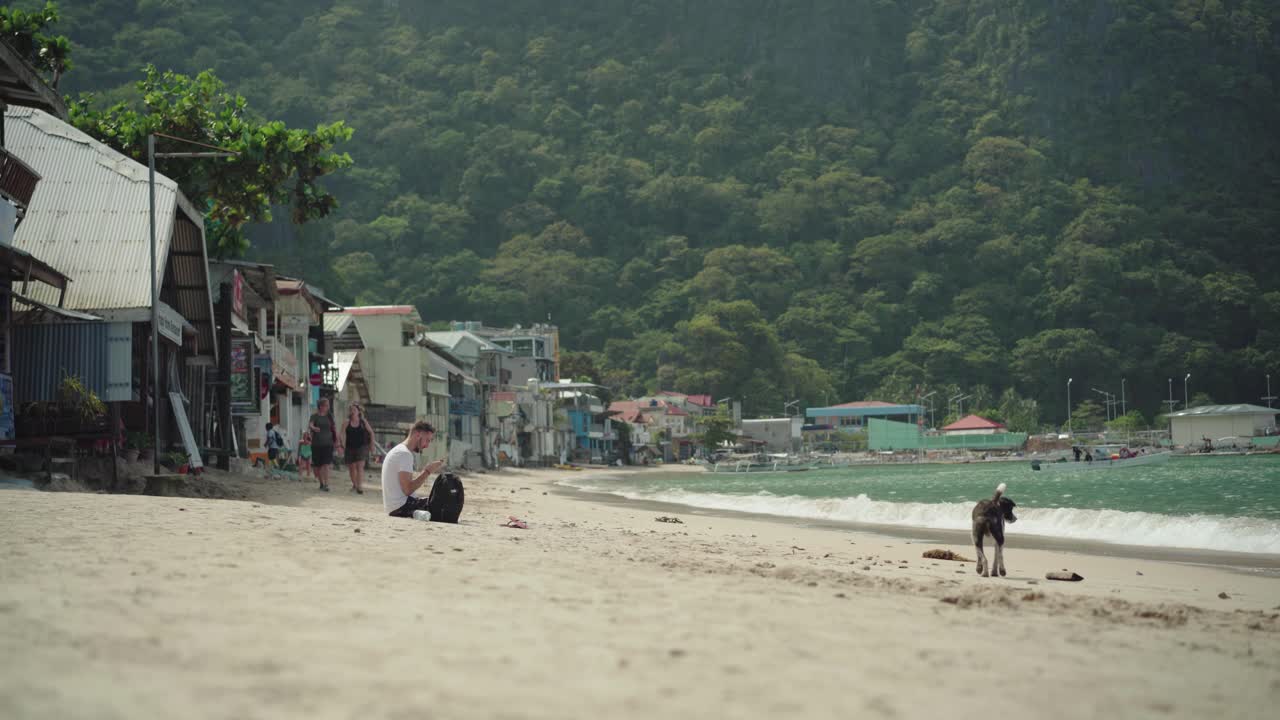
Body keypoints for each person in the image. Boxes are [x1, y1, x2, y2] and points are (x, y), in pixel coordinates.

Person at [382, 421, 446, 517]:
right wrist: (427, 471)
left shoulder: (400, 451)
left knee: (437, 502)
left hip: (397, 506)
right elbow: (408, 490)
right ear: (418, 434)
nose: (427, 445)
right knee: (446, 505)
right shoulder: (404, 454)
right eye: (427, 440)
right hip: (401, 507)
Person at [343, 403, 375, 494]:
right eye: (351, 410)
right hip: (349, 447)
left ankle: (359, 487)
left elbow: (371, 433)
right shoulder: (346, 422)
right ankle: (355, 484)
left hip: (362, 446)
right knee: (352, 468)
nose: (352, 411)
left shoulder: (363, 422)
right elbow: (341, 434)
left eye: (354, 410)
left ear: (358, 412)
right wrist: (341, 445)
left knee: (360, 467)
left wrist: (372, 444)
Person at [308, 398, 336, 491]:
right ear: (321, 406)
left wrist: (337, 440)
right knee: (317, 466)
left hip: (328, 443)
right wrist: (314, 428)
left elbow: (334, 428)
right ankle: (321, 483)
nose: (328, 407)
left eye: (328, 405)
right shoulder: (314, 416)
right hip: (316, 444)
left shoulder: (330, 416)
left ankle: (326, 484)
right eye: (326, 405)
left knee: (326, 464)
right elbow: (310, 425)